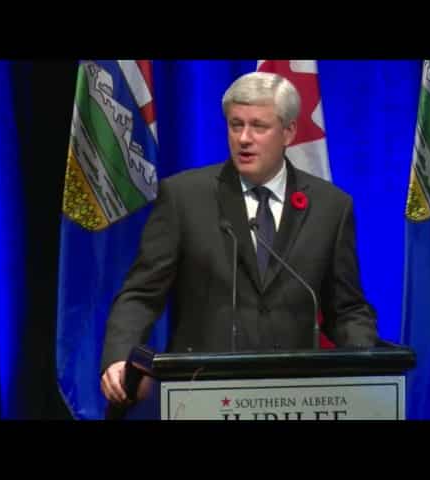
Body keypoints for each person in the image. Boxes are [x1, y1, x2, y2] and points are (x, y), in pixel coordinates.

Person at [100, 71, 378, 406]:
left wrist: (368, 364)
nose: (244, 138)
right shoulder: (185, 197)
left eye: (259, 126)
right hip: (202, 394)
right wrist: (119, 356)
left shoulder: (331, 206)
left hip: (297, 398)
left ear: (288, 132)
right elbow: (141, 294)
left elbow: (346, 308)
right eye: (236, 125)